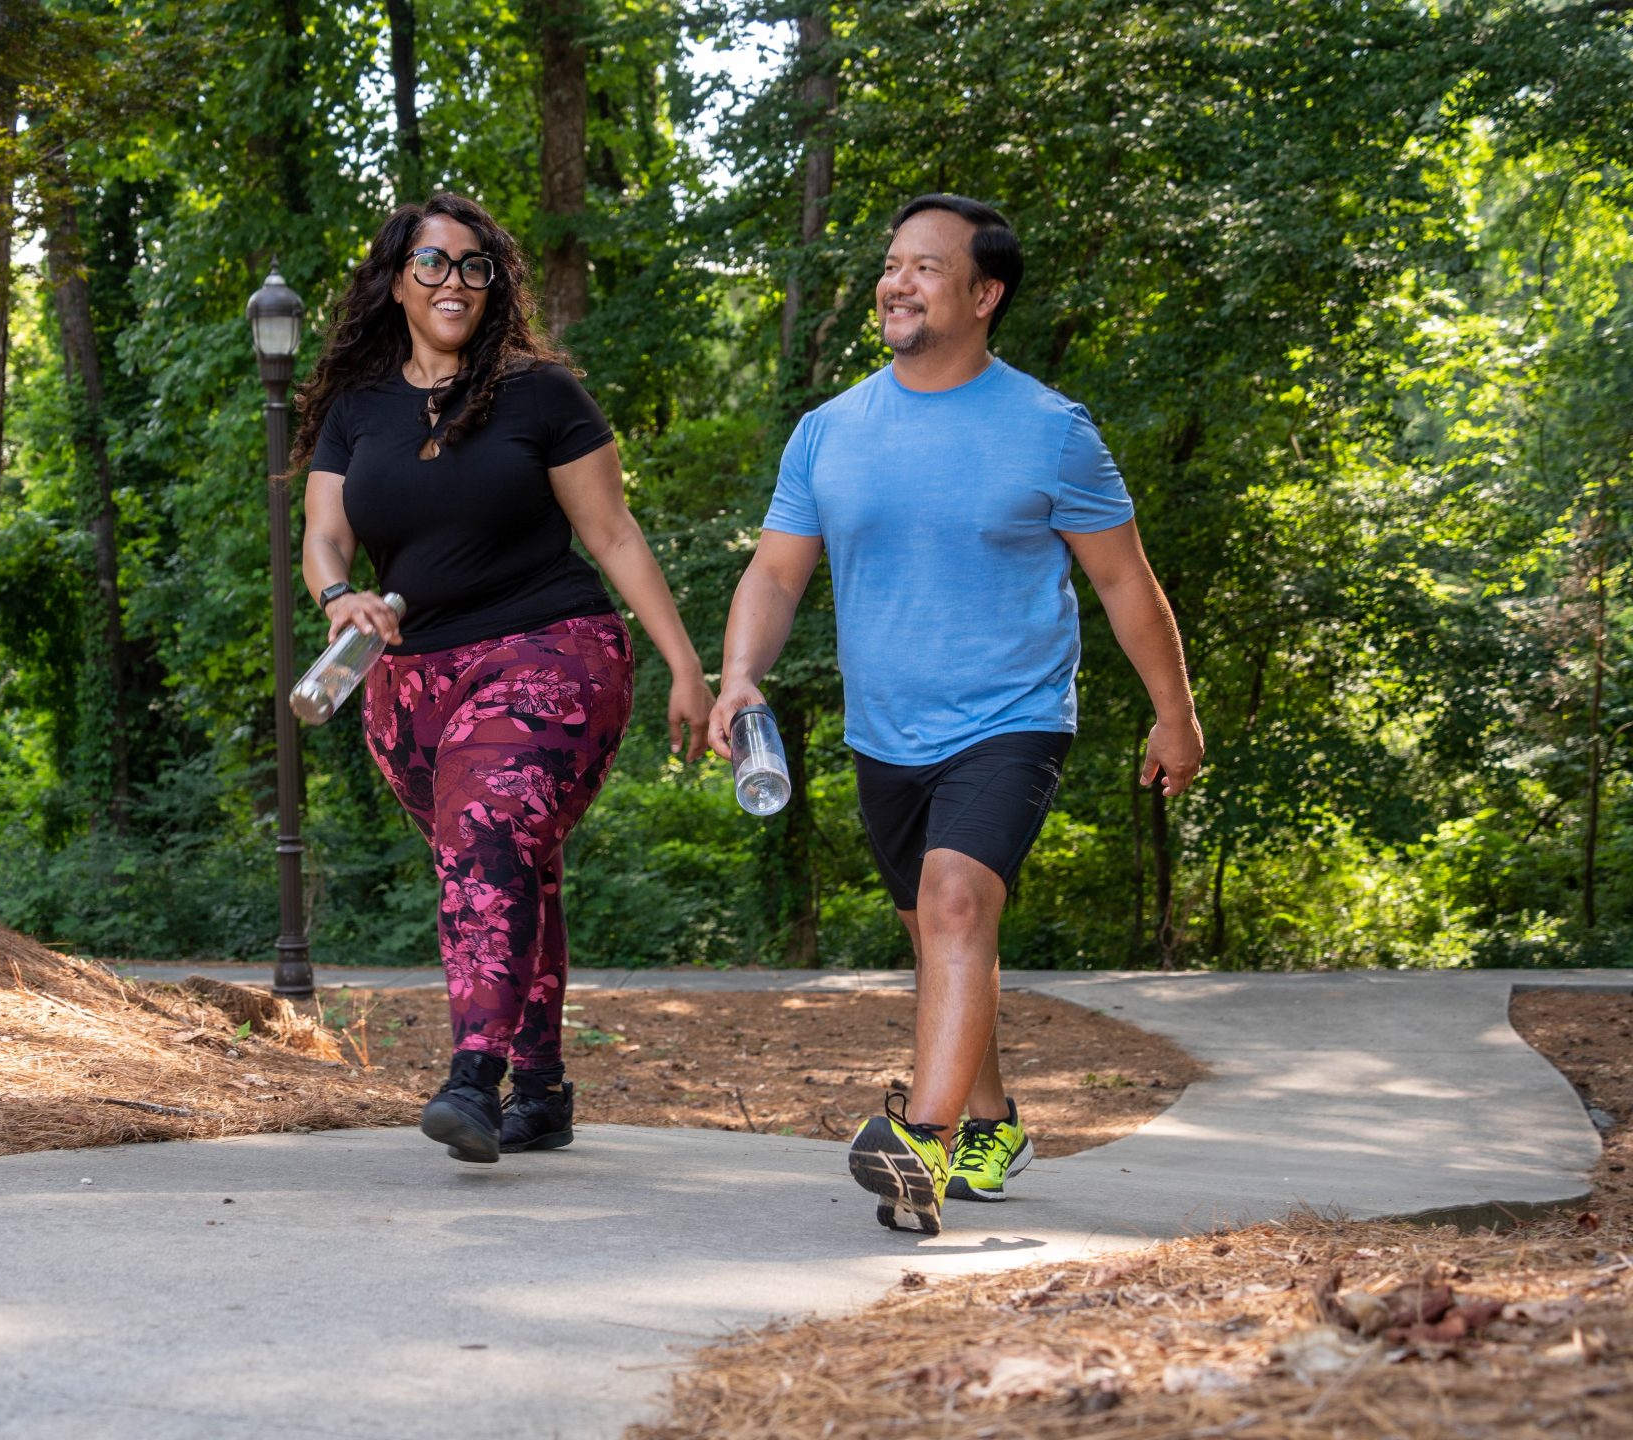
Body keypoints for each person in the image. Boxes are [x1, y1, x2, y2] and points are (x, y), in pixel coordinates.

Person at [707, 195, 1204, 1234]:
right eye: (893, 265)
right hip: (885, 733)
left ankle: (919, 1144)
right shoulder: (828, 431)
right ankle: (992, 1121)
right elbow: (776, 573)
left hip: (1013, 716)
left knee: (955, 907)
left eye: (926, 268)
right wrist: (740, 673)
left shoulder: (1052, 431)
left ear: (985, 295)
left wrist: (1175, 714)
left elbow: (1124, 581)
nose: (898, 283)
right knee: (939, 937)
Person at [295, 193, 714, 1165]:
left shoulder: (541, 394)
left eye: (474, 265)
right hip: (409, 686)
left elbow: (613, 533)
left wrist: (686, 665)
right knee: (508, 867)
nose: (455, 281)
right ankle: (543, 1087)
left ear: (494, 285)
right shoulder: (356, 410)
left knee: (489, 836)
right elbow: (323, 535)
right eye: (433, 263)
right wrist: (338, 597)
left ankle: (474, 1077)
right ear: (395, 280)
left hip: (549, 651)